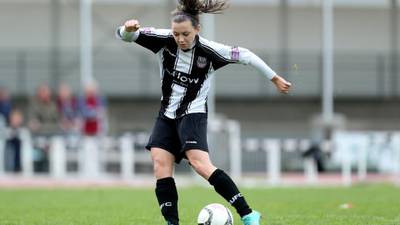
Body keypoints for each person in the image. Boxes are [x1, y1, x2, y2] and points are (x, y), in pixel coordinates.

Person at [116, 1, 292, 224]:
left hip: (193, 115)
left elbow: (245, 55)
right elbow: (125, 36)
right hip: (166, 114)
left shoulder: (211, 51)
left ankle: (248, 213)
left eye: (186, 34)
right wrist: (127, 29)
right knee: (160, 164)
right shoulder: (163, 40)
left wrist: (274, 78)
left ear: (197, 29)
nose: (180, 39)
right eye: (177, 33)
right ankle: (172, 223)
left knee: (200, 164)